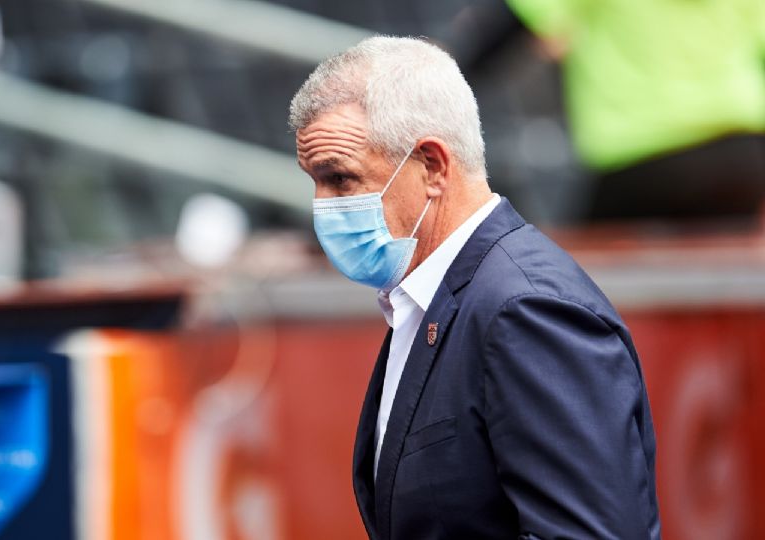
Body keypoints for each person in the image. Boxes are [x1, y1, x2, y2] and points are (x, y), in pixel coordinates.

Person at [289, 36, 660, 538]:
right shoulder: (432, 300)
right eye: (315, 180)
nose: (323, 206)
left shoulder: (526, 309)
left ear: (434, 167)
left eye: (340, 179)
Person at [507, 0, 765, 222]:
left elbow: (537, 25)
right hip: (738, 146)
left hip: (639, 148)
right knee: (724, 266)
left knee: (589, 269)